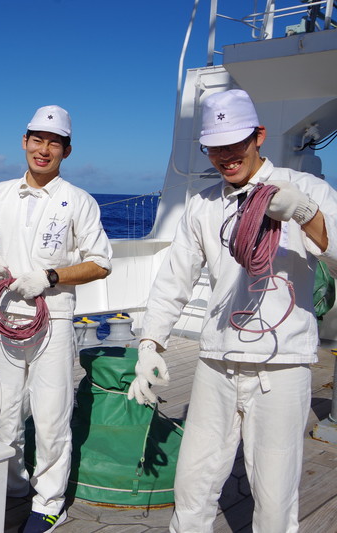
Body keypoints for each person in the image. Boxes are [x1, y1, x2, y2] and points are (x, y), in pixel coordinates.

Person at [128, 89, 337, 532]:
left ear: (258, 136)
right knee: (193, 485)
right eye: (215, 147)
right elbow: (174, 280)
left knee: (275, 496)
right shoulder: (202, 204)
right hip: (216, 359)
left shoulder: (306, 190)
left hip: (282, 364)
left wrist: (305, 213)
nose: (225, 156)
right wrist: (149, 344)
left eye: (234, 143)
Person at [0, 105, 112, 533]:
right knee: (5, 412)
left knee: (51, 417)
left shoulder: (79, 201)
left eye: (54, 143)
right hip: (5, 318)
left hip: (54, 322)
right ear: (24, 142)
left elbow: (101, 262)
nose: (43, 149)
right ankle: (13, 484)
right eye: (37, 140)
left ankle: (49, 502)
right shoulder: (1, 193)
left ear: (67, 150)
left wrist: (50, 277)